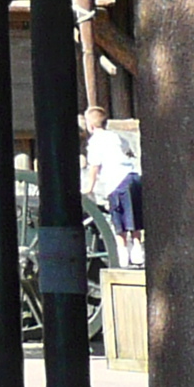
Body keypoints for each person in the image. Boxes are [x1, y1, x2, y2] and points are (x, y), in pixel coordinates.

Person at [84, 109, 145, 268]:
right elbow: (129, 152)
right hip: (132, 176)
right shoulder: (116, 136)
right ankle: (137, 250)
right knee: (134, 217)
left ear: (90, 126)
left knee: (118, 219)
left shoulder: (95, 142)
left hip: (116, 182)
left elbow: (94, 167)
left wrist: (88, 188)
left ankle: (122, 253)